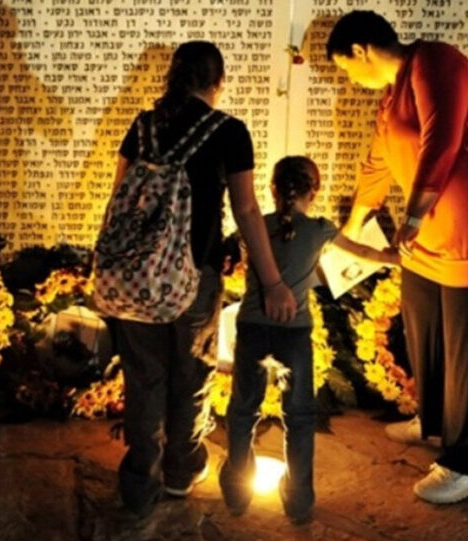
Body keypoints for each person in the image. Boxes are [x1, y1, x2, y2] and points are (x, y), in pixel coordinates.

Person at [326, 11, 468, 504]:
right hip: (433, 228)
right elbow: (379, 160)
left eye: (346, 68)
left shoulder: (436, 62)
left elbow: (442, 141)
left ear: (361, 50)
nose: (350, 80)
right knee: (424, 321)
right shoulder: (393, 92)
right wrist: (353, 226)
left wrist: (415, 214)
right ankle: (435, 421)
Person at [104, 41, 297, 517]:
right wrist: (273, 281)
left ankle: (139, 483)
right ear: (218, 82)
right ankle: (180, 470)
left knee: (143, 376)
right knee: (191, 374)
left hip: (133, 278)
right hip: (193, 275)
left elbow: (118, 199)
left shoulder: (143, 126)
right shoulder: (228, 131)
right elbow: (246, 209)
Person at [219, 156, 396, 522]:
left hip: (253, 327)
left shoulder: (256, 226)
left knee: (243, 410)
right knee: (298, 415)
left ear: (272, 189)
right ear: (313, 193)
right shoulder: (320, 229)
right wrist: (395, 258)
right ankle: (299, 499)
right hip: (294, 333)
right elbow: (364, 252)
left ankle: (236, 490)